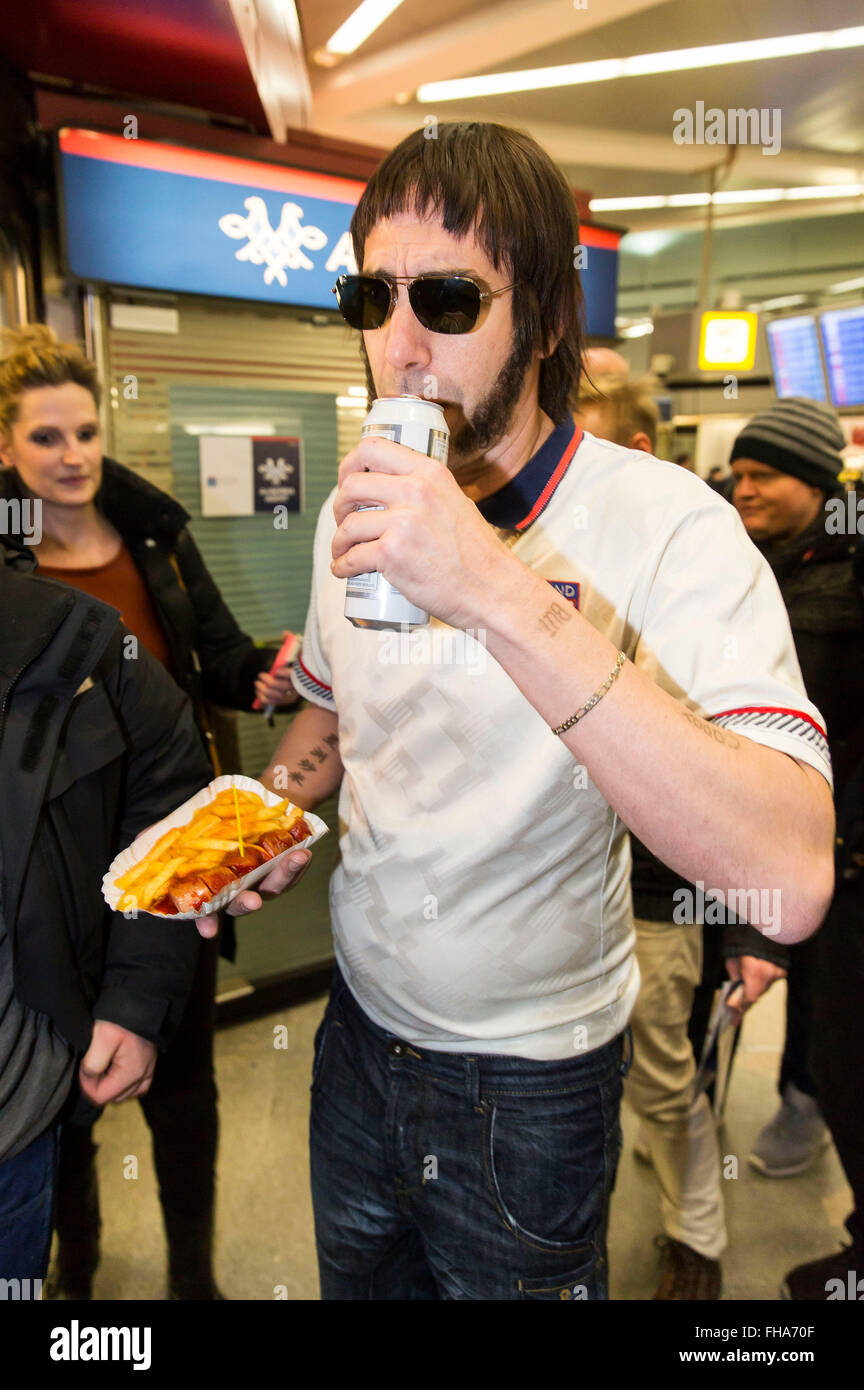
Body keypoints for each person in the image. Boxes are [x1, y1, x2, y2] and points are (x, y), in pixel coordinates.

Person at [261, 121, 833, 1301]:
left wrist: (492, 590)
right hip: (356, 1032)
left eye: (451, 300)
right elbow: (328, 713)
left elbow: (788, 870)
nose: (400, 345)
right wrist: (262, 820)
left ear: (550, 321)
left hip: (533, 1072)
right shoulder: (344, 518)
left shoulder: (672, 526)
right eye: (372, 296)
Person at [0, 324, 297, 1300]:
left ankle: (193, 1280)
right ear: (6, 448)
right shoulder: (11, 573)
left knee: (182, 1086)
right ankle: (71, 1269)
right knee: (56, 1093)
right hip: (48, 870)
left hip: (174, 853)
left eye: (86, 431)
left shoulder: (156, 537)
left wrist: (272, 673)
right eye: (47, 438)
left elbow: (217, 659)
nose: (74, 455)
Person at [572, 373, 789, 1299]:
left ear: (638, 456)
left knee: (663, 1079)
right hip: (555, 893)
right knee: (580, 1082)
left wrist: (749, 930)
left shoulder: (699, 575)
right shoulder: (530, 548)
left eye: (577, 440)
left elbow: (747, 778)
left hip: (659, 890)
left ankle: (694, 1238)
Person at [728, 398, 864, 1297]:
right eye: (737, 476)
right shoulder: (743, 561)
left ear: (816, 485)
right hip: (762, 817)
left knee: (843, 1027)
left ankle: (808, 1101)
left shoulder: (853, 570)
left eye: (762, 476)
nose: (744, 491)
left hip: (840, 833)